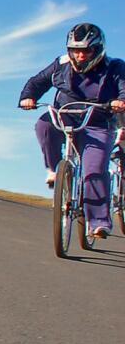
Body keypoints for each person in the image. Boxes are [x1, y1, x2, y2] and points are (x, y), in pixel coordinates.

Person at [18, 22, 125, 240]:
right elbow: (36, 82)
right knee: (44, 124)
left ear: (97, 49)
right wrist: (28, 98)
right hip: (65, 114)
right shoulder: (61, 64)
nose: (80, 55)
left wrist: (120, 102)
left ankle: (98, 222)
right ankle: (54, 168)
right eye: (76, 49)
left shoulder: (115, 67)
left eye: (86, 50)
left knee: (94, 170)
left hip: (97, 121)